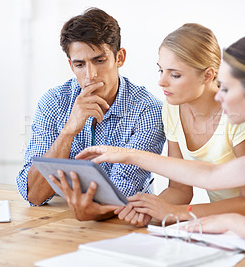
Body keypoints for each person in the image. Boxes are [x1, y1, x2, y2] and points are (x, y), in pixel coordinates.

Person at [76, 34, 245, 266]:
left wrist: (229, 222)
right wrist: (128, 154)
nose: (219, 96)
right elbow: (212, 176)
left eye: (225, 88)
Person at [16, 8, 166, 221]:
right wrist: (68, 131)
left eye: (99, 60)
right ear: (71, 65)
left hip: (125, 226)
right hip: (63, 222)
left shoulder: (147, 110)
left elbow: (121, 196)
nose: (90, 75)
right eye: (80, 64)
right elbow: (33, 194)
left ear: (119, 57)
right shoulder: (54, 102)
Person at [108, 23, 245, 227]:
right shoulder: (172, 108)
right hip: (226, 225)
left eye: (175, 74)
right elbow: (180, 189)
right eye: (160, 70)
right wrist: (149, 209)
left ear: (208, 75)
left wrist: (176, 212)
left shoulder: (237, 115)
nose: (161, 82)